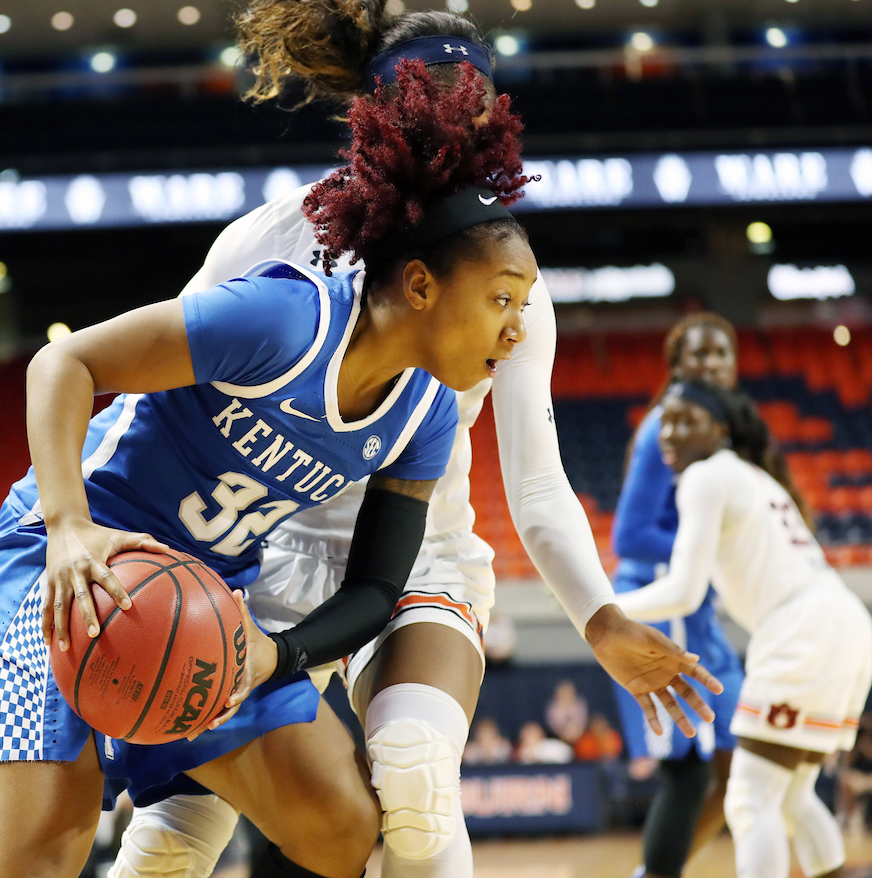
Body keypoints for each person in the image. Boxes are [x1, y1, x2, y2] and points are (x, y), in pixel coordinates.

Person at [110, 5, 723, 878]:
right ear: (375, 108)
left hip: (416, 549)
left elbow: (539, 486)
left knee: (417, 776)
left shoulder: (510, 278)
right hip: (262, 550)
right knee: (170, 845)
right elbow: (165, 398)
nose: (452, 119)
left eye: (471, 102)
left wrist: (600, 620)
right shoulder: (270, 240)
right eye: (428, 98)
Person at [0, 57, 542, 878]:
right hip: (69, 566)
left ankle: (179, 789)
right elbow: (62, 366)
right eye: (501, 300)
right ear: (420, 285)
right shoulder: (286, 319)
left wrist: (278, 655)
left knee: (341, 831)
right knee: (37, 865)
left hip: (203, 598)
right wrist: (68, 527)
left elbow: (376, 592)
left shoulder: (423, 418)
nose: (517, 331)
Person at [615, 379, 872, 878]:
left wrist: (604, 609)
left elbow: (684, 591)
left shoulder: (706, 477)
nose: (669, 433)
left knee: (751, 800)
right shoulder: (753, 476)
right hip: (846, 622)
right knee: (792, 797)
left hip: (804, 628)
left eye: (686, 420)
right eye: (664, 420)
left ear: (720, 429)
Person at [610, 313, 747, 878]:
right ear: (676, 368)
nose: (712, 364)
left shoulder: (719, 426)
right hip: (661, 599)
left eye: (722, 354)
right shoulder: (662, 426)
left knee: (740, 759)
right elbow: (630, 535)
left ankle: (666, 866)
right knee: (689, 770)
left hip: (697, 607)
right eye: (700, 355)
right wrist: (709, 544)